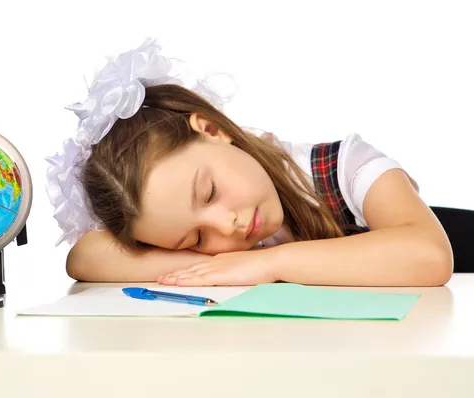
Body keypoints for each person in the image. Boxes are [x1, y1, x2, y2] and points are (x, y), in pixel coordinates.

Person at [46, 38, 453, 287]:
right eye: (196, 241)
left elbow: (430, 255)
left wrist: (267, 263)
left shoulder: (346, 168)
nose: (227, 227)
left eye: (210, 193)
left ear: (210, 128)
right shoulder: (218, 227)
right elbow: (85, 257)